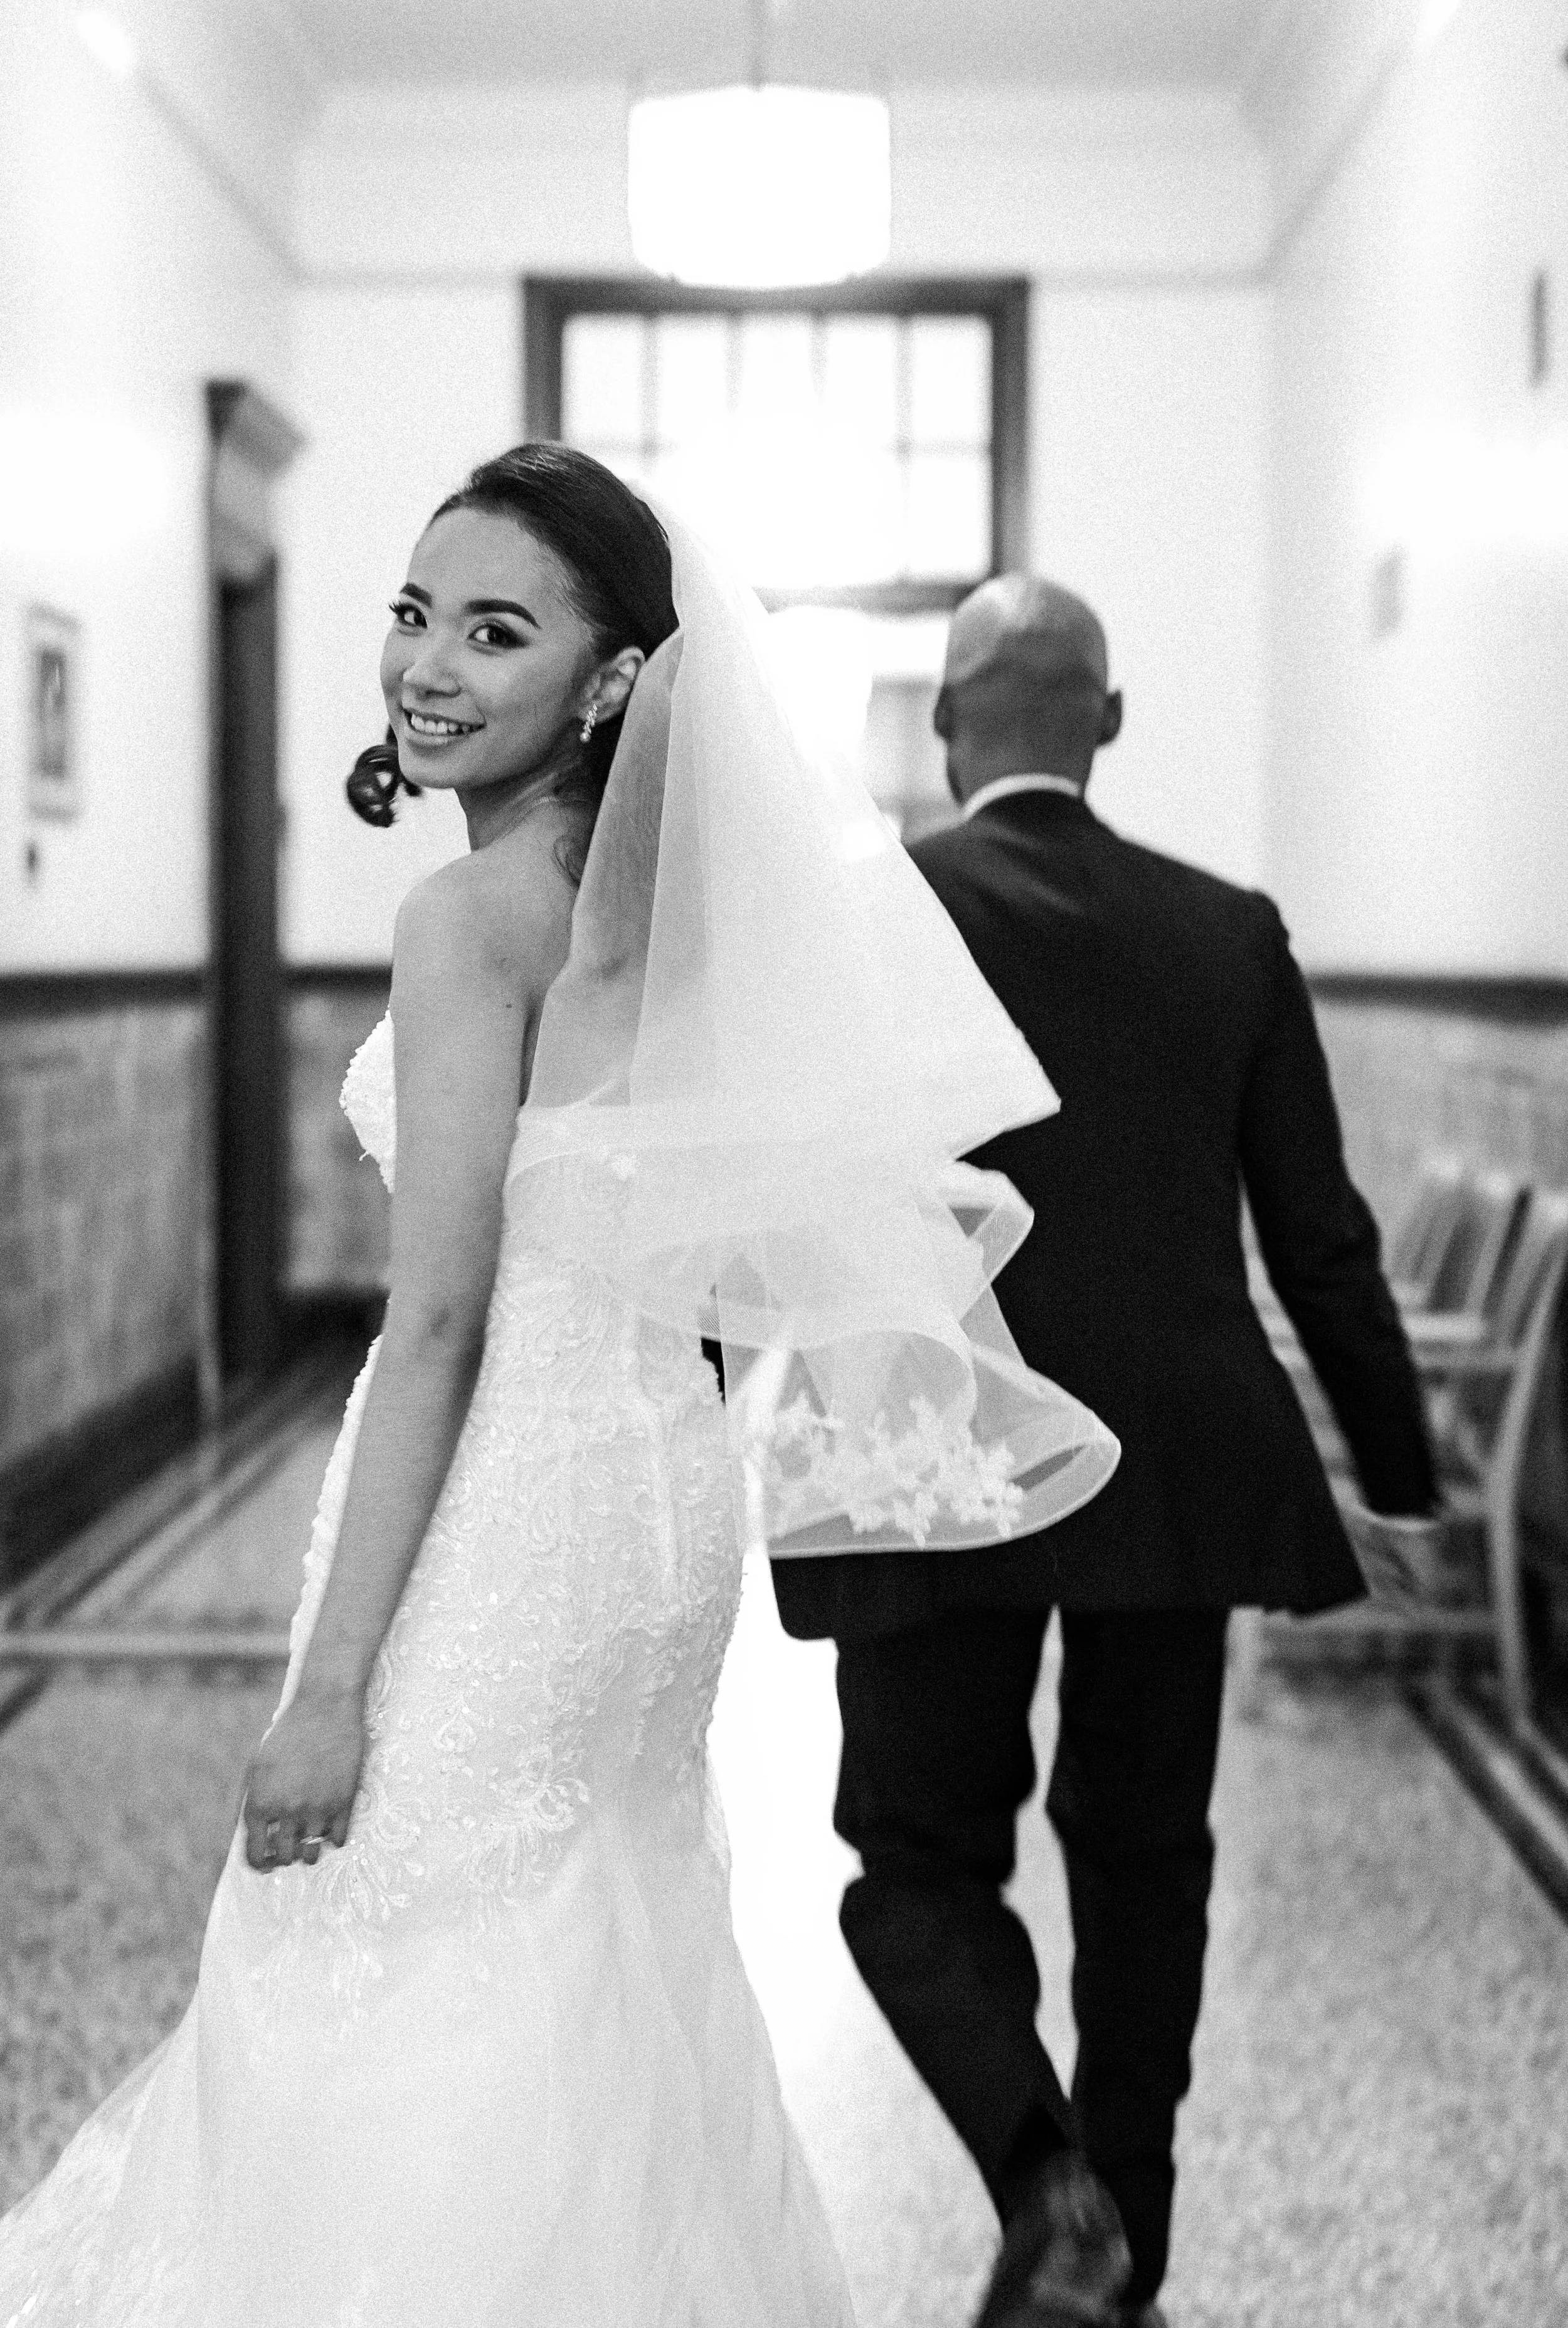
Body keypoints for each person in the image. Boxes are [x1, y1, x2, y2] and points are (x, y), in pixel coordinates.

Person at [0, 458, 1118, 2327]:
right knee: (592, 1943)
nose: (426, 663)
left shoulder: (472, 923)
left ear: (612, 683)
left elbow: (436, 1320)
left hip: (508, 1503)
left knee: (381, 1943)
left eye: (496, 629)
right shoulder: (652, 916)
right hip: (650, 1498)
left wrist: (331, 1686)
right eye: (413, 610)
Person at [770, 574, 1441, 2328]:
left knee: (915, 1859)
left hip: (933, 1443)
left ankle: (1038, 2179)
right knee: (1146, 1848)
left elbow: (777, 1202)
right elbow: (1319, 1231)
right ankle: (1125, 2232)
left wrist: (691, 1405)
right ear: (1112, 723)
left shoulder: (865, 915)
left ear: (941, 728)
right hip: (1176, 1461)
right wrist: (1397, 1466)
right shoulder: (1225, 930)